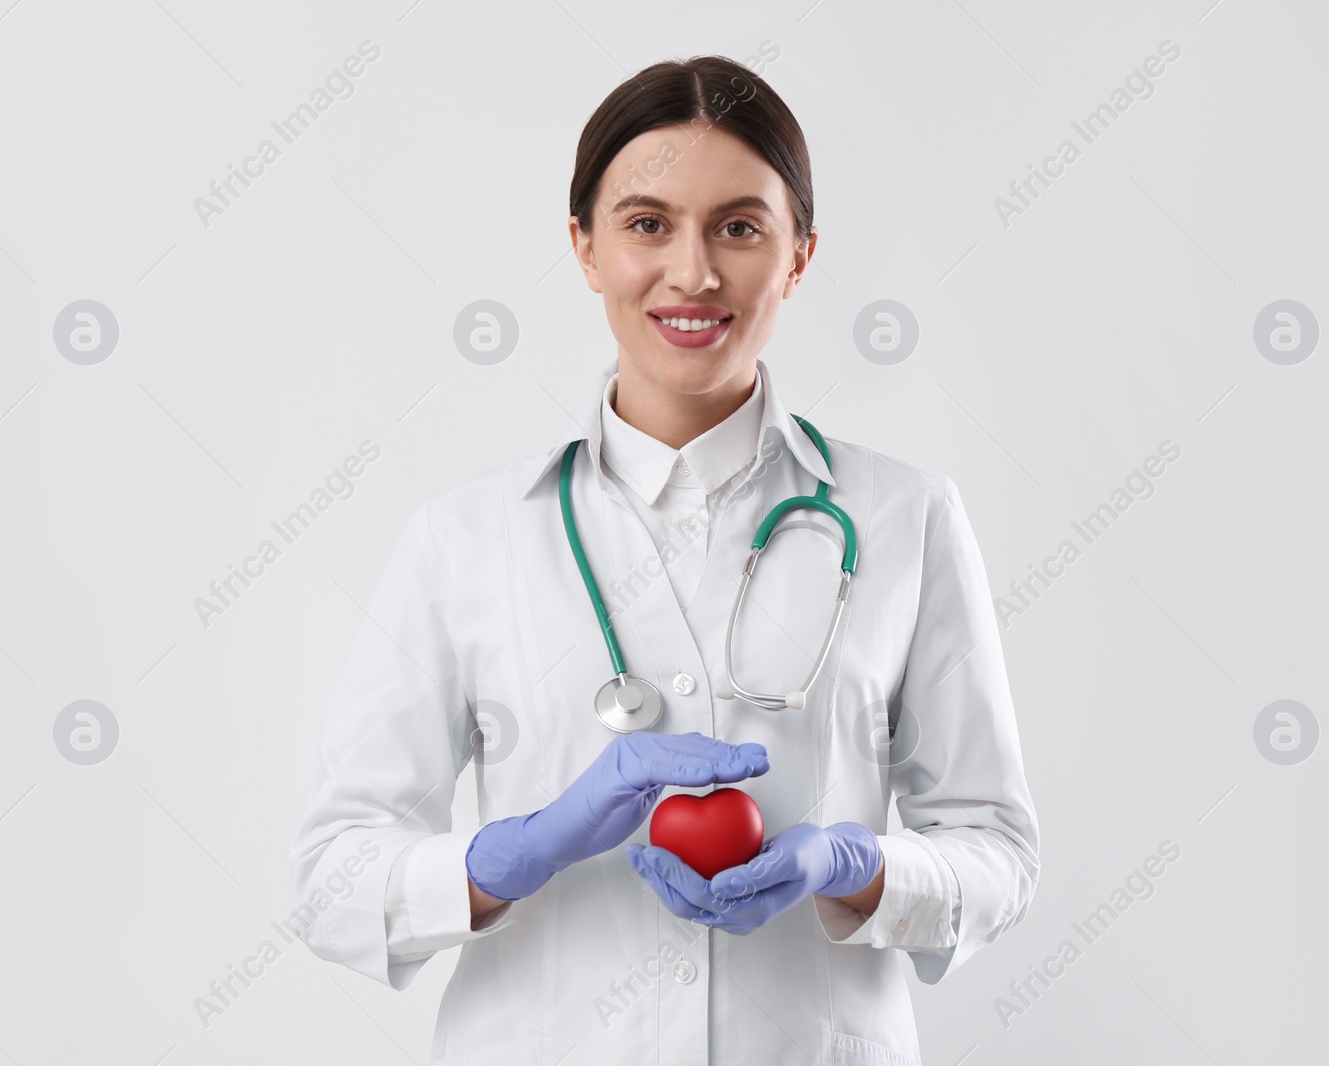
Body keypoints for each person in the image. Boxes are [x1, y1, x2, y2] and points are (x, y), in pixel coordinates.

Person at [288, 54, 1039, 1066]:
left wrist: (858, 868)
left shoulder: (906, 518)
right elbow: (330, 880)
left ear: (799, 256)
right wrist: (508, 856)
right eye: (646, 224)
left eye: (739, 226)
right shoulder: (465, 540)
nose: (692, 273)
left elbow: (995, 854)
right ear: (586, 248)